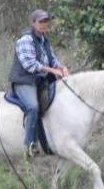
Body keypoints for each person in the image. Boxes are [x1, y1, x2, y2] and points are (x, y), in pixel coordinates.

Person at [8, 9, 69, 156]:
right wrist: (52, 71)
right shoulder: (25, 40)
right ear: (33, 23)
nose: (43, 24)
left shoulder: (44, 40)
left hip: (40, 80)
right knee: (33, 107)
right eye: (40, 22)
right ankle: (30, 145)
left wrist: (62, 67)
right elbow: (30, 65)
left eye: (46, 21)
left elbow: (52, 59)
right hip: (25, 81)